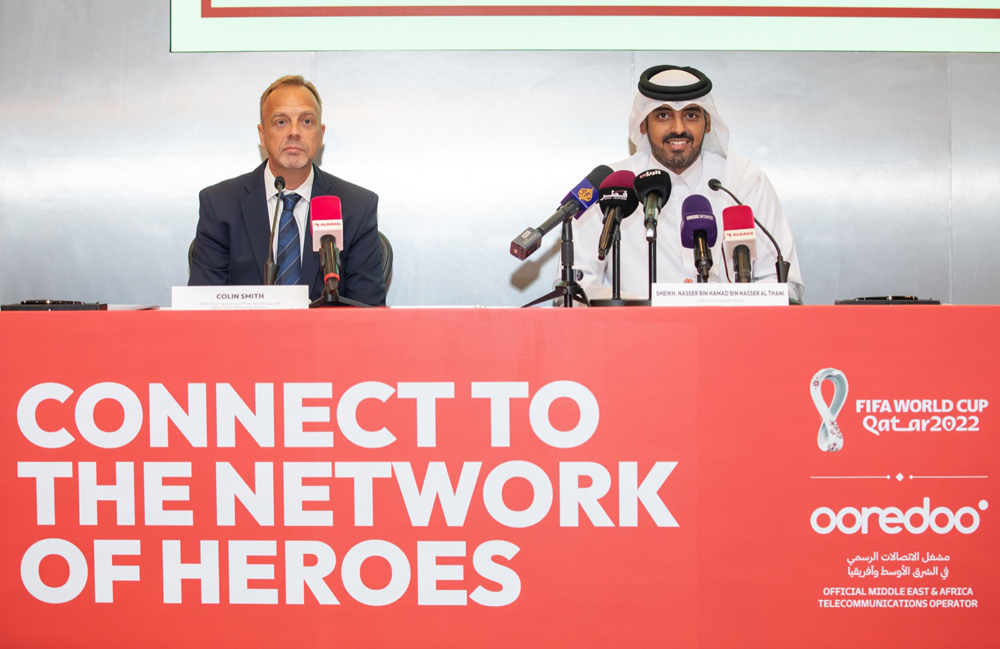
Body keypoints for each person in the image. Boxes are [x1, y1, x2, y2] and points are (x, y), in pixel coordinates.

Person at [572, 65, 804, 303]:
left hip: (729, 335)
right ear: (643, 124)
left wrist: (723, 304)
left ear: (708, 123)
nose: (678, 128)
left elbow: (784, 285)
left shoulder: (743, 181)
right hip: (638, 336)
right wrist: (645, 309)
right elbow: (576, 283)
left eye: (691, 115)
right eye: (663, 115)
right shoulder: (612, 186)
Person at [190, 75, 386, 305]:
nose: (294, 132)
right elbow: (201, 310)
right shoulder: (220, 205)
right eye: (281, 122)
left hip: (325, 340)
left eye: (306, 121)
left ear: (321, 134)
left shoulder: (355, 208)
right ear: (262, 135)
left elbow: (369, 313)